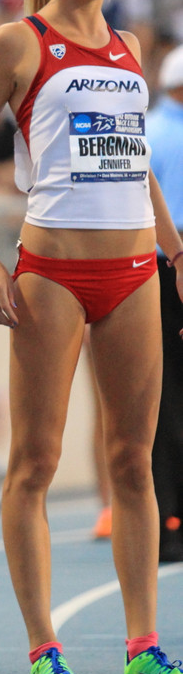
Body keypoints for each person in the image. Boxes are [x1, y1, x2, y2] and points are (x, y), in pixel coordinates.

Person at [0, 0, 183, 674]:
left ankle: (144, 644)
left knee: (132, 458)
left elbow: (131, 154)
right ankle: (42, 646)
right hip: (50, 273)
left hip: (133, 275)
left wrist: (170, 241)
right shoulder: (20, 43)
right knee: (37, 460)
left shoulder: (128, 45)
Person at [146, 43, 183, 563]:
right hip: (173, 260)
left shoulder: (148, 127)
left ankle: (166, 526)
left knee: (157, 403)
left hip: (150, 270)